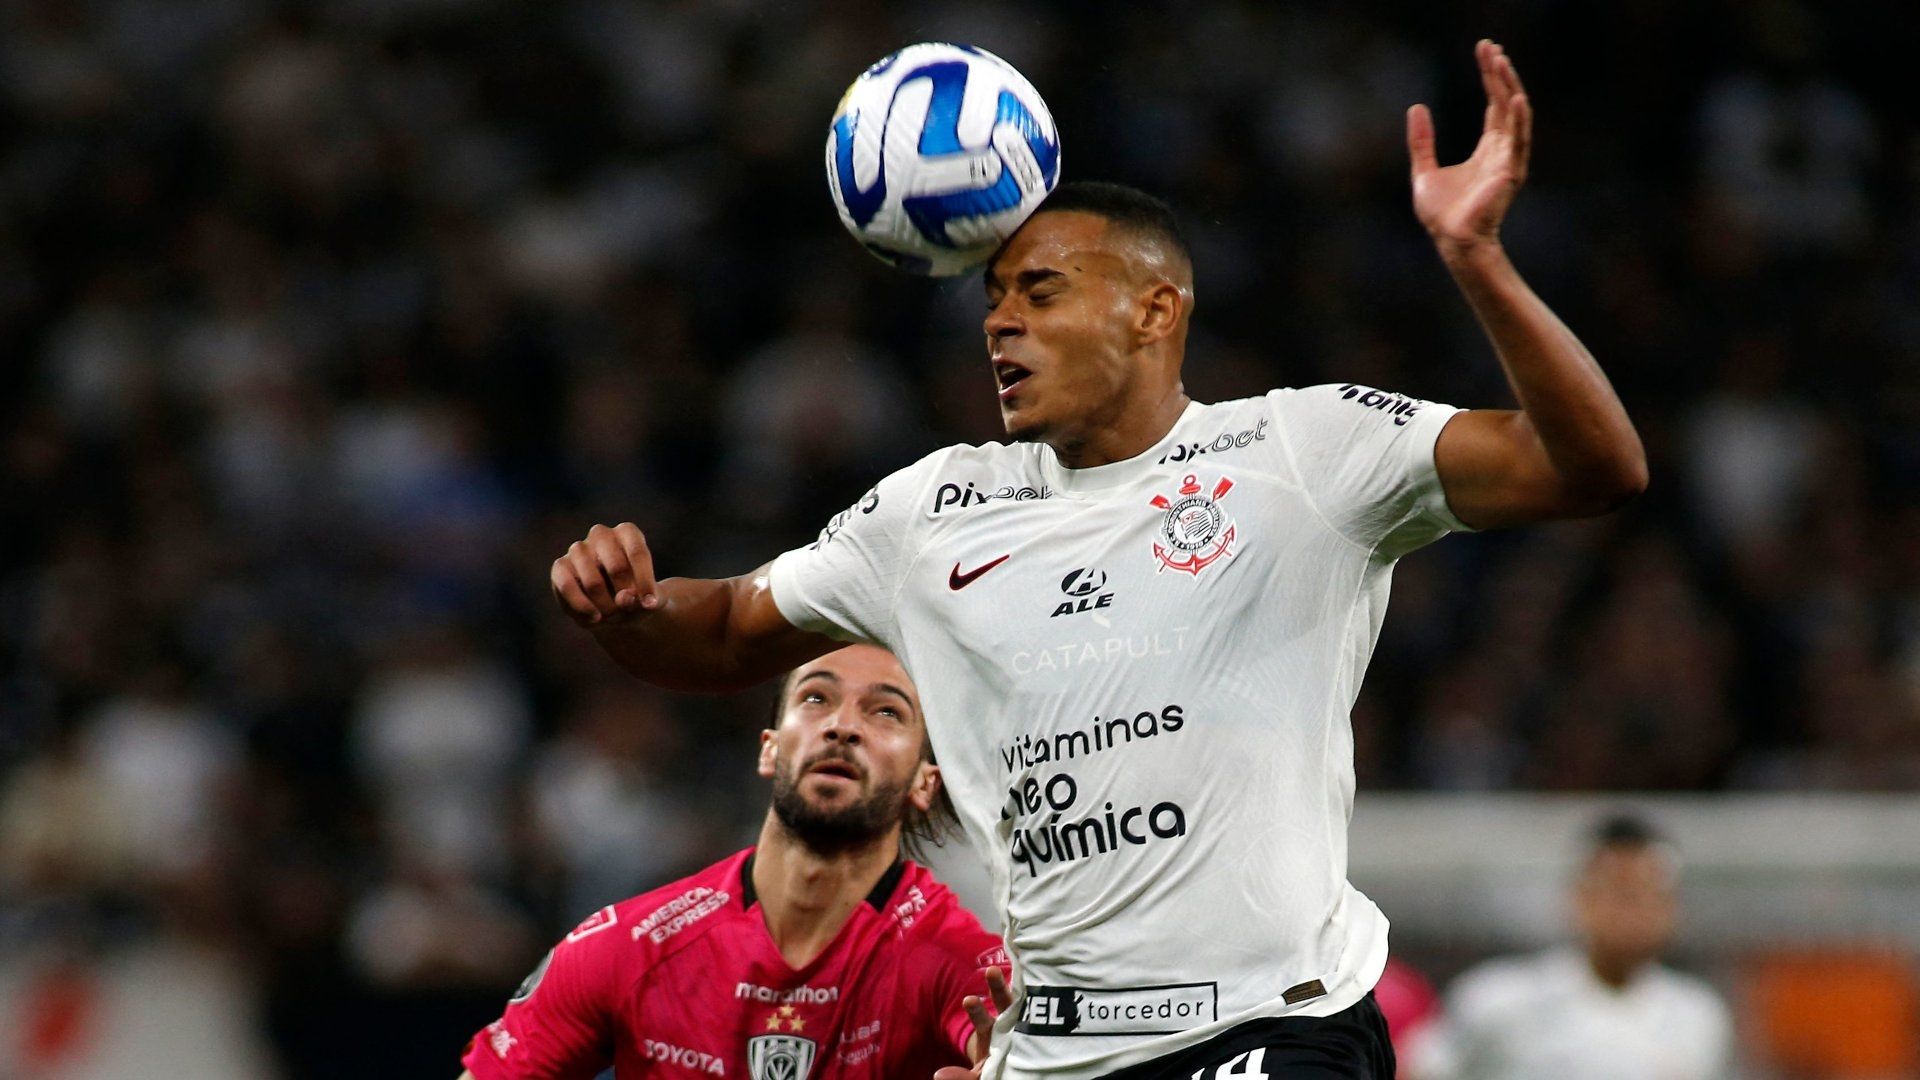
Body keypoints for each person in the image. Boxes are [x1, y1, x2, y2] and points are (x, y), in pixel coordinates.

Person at [550, 40, 1646, 1079]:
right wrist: (626, 607)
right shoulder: (933, 509)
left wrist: (1477, 260)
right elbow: (725, 630)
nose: (1000, 325)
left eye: (1040, 293)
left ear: (1153, 311)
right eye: (992, 299)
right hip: (1051, 1049)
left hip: (1270, 1023)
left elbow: (1592, 468)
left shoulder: (1303, 451)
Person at [457, 644, 1011, 1080]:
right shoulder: (628, 947)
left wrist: (1018, 1068)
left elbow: (1009, 1040)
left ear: (924, 782)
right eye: (816, 698)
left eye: (886, 711)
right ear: (770, 748)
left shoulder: (964, 964)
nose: (842, 727)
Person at [1405, 815, 1733, 1079]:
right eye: (1622, 894)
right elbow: (1422, 1069)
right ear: (1579, 899)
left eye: (1653, 896)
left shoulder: (1699, 1016)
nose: (1636, 913)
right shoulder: (1499, 1000)